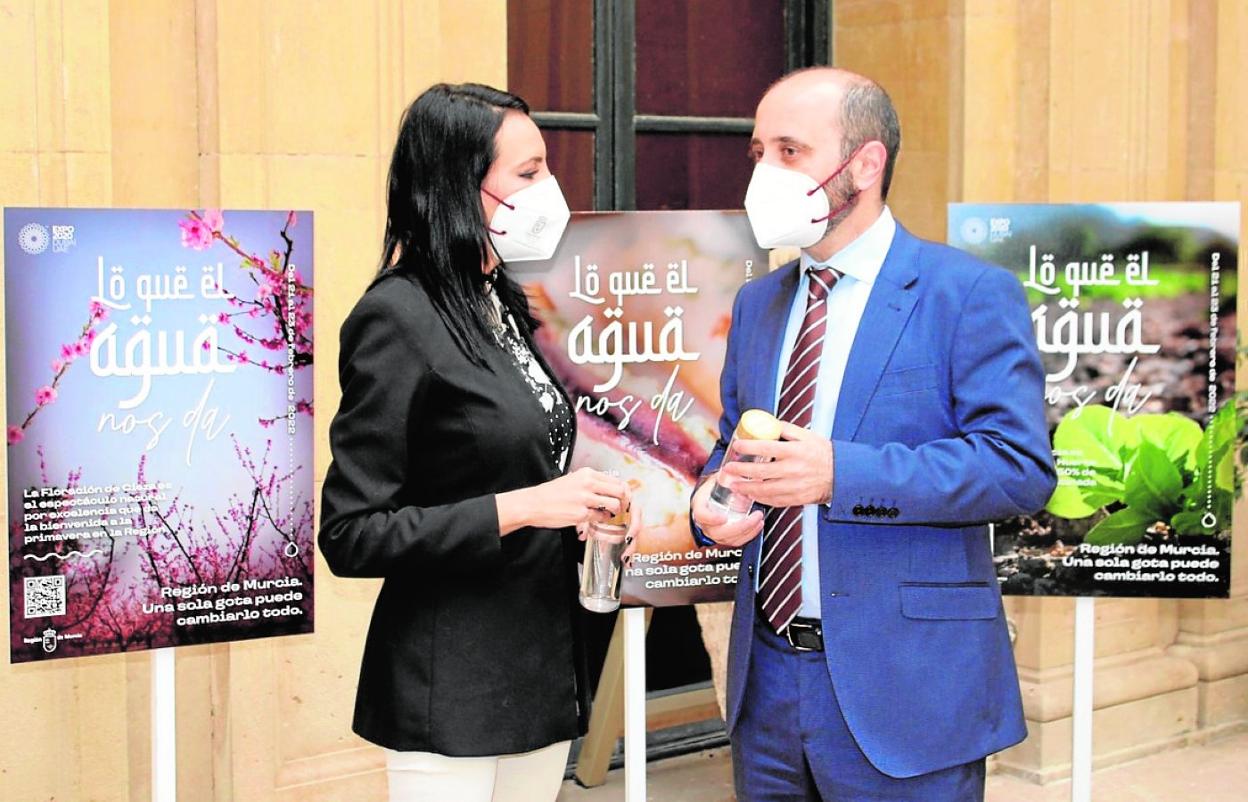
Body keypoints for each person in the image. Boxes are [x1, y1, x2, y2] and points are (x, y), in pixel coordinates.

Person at [690, 67, 1057, 801]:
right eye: (758, 152)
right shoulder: (759, 303)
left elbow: (1018, 467)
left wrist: (840, 475)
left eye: (790, 151)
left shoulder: (968, 293)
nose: (764, 173)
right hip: (766, 688)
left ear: (865, 163)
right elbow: (733, 446)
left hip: (910, 689)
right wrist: (712, 502)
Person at [319, 83, 638, 802]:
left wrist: (584, 511)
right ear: (460, 187)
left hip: (539, 671)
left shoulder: (503, 300)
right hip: (451, 688)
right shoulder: (397, 316)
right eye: (528, 174)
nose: (550, 189)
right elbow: (351, 533)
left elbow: (514, 459)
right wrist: (526, 506)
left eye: (547, 167)